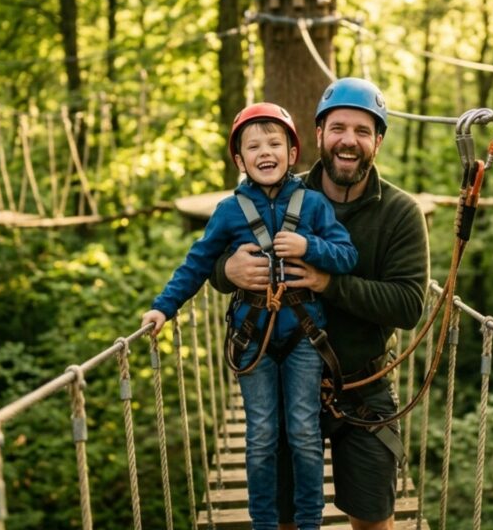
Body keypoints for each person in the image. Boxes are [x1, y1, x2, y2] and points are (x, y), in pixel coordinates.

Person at [212, 78, 429, 530]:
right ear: (317, 136)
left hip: (363, 388)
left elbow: (410, 306)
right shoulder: (279, 192)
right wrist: (225, 272)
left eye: (363, 131)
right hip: (283, 380)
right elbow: (214, 255)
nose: (349, 140)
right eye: (338, 128)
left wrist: (329, 282)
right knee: (286, 519)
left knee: (373, 520)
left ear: (378, 141)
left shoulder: (399, 213)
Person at [142, 102, 358, 530]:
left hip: (304, 336)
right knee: (261, 436)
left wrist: (308, 248)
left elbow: (347, 255)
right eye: (253, 145)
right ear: (240, 160)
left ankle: (309, 524)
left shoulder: (313, 205)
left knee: (303, 434)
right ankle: (264, 524)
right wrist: (163, 307)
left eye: (275, 143)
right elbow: (198, 264)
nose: (265, 151)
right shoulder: (228, 211)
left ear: (292, 153)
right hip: (251, 339)